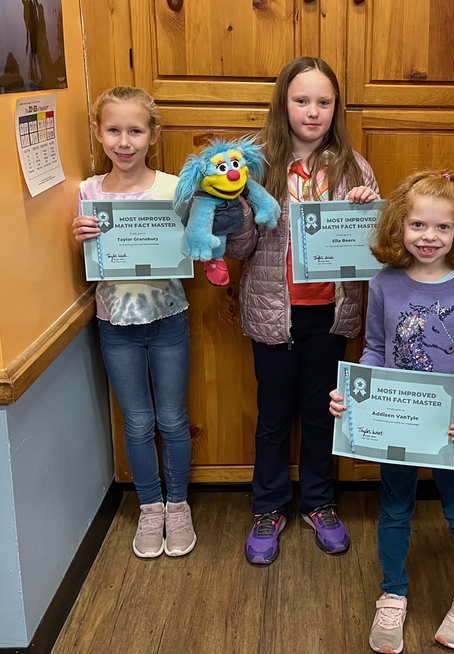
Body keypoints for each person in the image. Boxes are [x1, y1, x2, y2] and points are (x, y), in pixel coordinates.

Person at [330, 170, 454, 653]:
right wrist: (353, 393)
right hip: (393, 425)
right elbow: (375, 349)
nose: (429, 236)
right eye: (418, 224)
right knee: (395, 508)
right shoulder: (384, 283)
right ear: (399, 226)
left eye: (443, 227)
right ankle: (392, 593)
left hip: (449, 429)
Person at [225, 57, 379, 566]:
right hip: (273, 312)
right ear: (283, 104)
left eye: (323, 102)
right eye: (302, 100)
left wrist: (368, 210)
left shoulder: (354, 168)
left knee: (320, 415)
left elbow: (374, 248)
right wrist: (234, 212)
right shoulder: (255, 165)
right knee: (273, 417)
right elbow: (242, 249)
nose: (313, 111)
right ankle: (268, 507)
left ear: (336, 108)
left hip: (330, 315)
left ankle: (318, 502)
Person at [73, 86, 196, 559]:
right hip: (115, 326)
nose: (124, 142)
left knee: (172, 417)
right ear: (98, 133)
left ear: (153, 135)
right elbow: (88, 260)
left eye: (135, 131)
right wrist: (78, 235)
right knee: (139, 421)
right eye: (113, 130)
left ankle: (178, 505)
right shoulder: (88, 193)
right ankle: (150, 506)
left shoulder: (174, 188)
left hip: (169, 320)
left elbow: (199, 240)